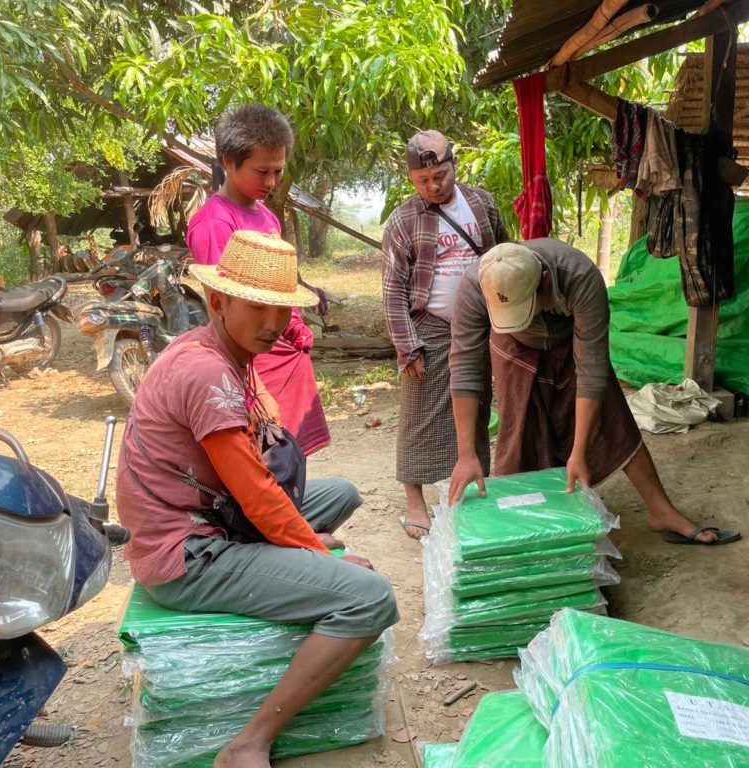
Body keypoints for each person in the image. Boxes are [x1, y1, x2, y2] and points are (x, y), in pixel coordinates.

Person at [116, 230, 398, 768]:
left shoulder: (220, 349)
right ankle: (248, 742)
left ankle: (290, 560)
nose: (274, 323)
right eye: (259, 308)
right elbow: (259, 495)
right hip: (188, 552)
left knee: (341, 493)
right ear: (218, 302)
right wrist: (313, 552)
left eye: (282, 309)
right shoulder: (205, 373)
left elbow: (261, 475)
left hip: (214, 516)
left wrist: (302, 539)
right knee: (370, 599)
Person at [447, 240, 740, 546]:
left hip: (570, 340)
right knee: (519, 435)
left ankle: (660, 510)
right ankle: (527, 529)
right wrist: (466, 454)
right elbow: (465, 369)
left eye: (527, 307)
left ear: (545, 281)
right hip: (514, 348)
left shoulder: (580, 277)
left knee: (613, 418)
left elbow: (592, 371)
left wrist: (579, 452)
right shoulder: (475, 285)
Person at [381, 130, 508, 539]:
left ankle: (472, 484)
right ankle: (415, 501)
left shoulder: (481, 203)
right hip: (429, 327)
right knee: (420, 416)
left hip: (480, 323)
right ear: (412, 178)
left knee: (475, 403)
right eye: (424, 180)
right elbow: (392, 290)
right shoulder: (403, 221)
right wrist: (407, 347)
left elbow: (504, 255)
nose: (434, 186)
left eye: (441, 175)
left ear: (454, 166)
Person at [187, 103, 330, 456]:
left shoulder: (267, 216)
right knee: (265, 458)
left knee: (292, 458)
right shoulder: (215, 224)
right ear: (228, 162)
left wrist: (296, 327)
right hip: (256, 363)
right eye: (262, 171)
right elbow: (223, 310)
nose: (271, 182)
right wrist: (253, 390)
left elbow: (281, 287)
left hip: (286, 353)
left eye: (278, 171)